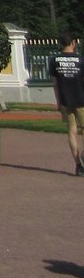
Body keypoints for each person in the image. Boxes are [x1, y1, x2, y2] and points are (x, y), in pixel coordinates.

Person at [49, 32, 84, 175]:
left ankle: (78, 164)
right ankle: (83, 155)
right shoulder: (81, 59)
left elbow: (55, 83)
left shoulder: (54, 60)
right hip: (81, 99)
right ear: (73, 43)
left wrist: (58, 102)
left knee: (72, 131)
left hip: (65, 99)